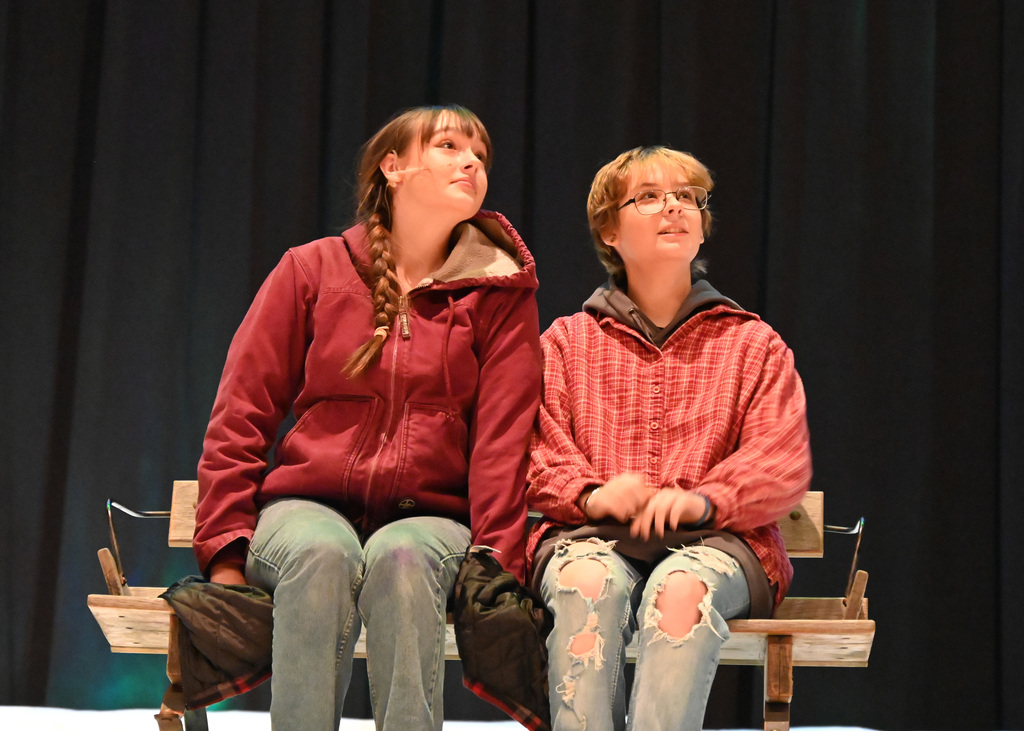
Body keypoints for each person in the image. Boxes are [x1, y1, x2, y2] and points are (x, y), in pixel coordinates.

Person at [193, 105, 542, 730]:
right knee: (322, 554)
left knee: (402, 558)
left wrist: (496, 563)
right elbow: (240, 415)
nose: (471, 162)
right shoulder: (311, 269)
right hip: (306, 509)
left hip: (433, 521)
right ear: (393, 167)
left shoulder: (500, 294)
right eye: (448, 146)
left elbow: (503, 444)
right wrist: (224, 550)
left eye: (481, 155)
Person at [526, 146, 812, 730]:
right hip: (592, 538)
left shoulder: (753, 344)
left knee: (681, 589)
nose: (675, 208)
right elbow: (533, 451)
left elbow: (778, 459)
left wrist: (707, 500)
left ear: (703, 228)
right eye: (650, 196)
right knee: (585, 583)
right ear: (609, 229)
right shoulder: (564, 342)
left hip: (720, 543)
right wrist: (589, 495)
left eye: (689, 197)